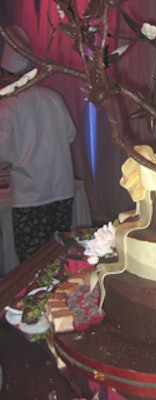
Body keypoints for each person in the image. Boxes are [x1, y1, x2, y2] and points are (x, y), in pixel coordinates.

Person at [0, 25, 77, 262]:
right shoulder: (52, 98)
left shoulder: (7, 107)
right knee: (58, 255)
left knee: (32, 262)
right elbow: (71, 134)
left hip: (30, 196)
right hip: (62, 192)